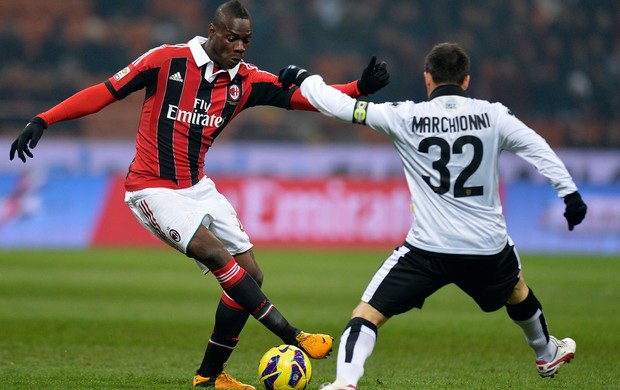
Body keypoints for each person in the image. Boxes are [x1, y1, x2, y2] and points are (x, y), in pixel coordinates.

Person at [8, 1, 390, 389]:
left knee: (252, 273)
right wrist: (44, 119)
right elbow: (106, 92)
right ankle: (292, 334)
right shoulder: (165, 61)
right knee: (216, 255)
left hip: (197, 186)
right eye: (232, 38)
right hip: (151, 188)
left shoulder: (247, 80)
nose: (240, 47)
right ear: (213, 31)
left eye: (246, 40)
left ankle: (210, 376)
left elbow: (305, 99)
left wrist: (358, 89)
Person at [278, 42, 588, 389]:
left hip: (428, 248)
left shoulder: (405, 115)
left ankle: (345, 383)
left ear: (428, 78)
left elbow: (340, 107)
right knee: (516, 287)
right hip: (486, 246)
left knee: (367, 314)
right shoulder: (493, 115)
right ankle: (546, 353)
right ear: (466, 80)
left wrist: (305, 79)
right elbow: (536, 146)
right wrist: (570, 192)